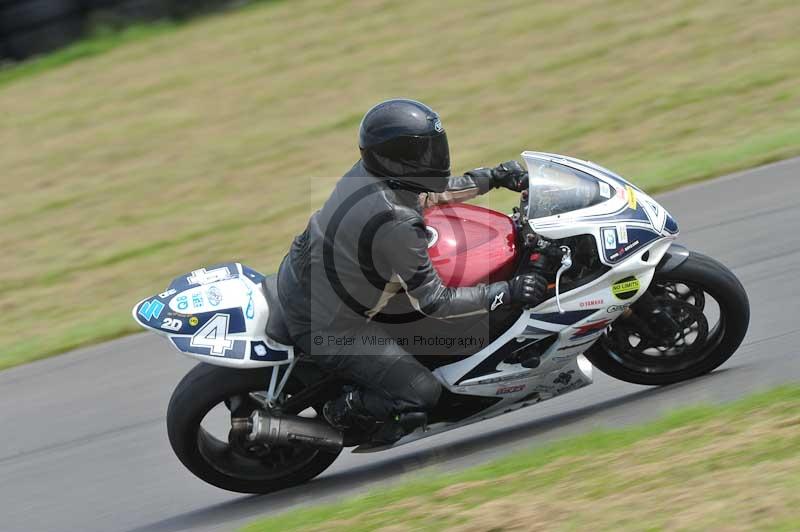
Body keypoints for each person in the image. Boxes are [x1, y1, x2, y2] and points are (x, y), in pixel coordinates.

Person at [276, 98, 548, 445]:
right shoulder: (395, 219)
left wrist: (492, 177)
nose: (432, 159)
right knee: (422, 394)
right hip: (327, 323)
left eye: (433, 149)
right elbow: (436, 302)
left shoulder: (373, 174)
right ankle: (341, 413)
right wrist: (508, 292)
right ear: (395, 158)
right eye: (421, 154)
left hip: (307, 275)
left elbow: (429, 192)